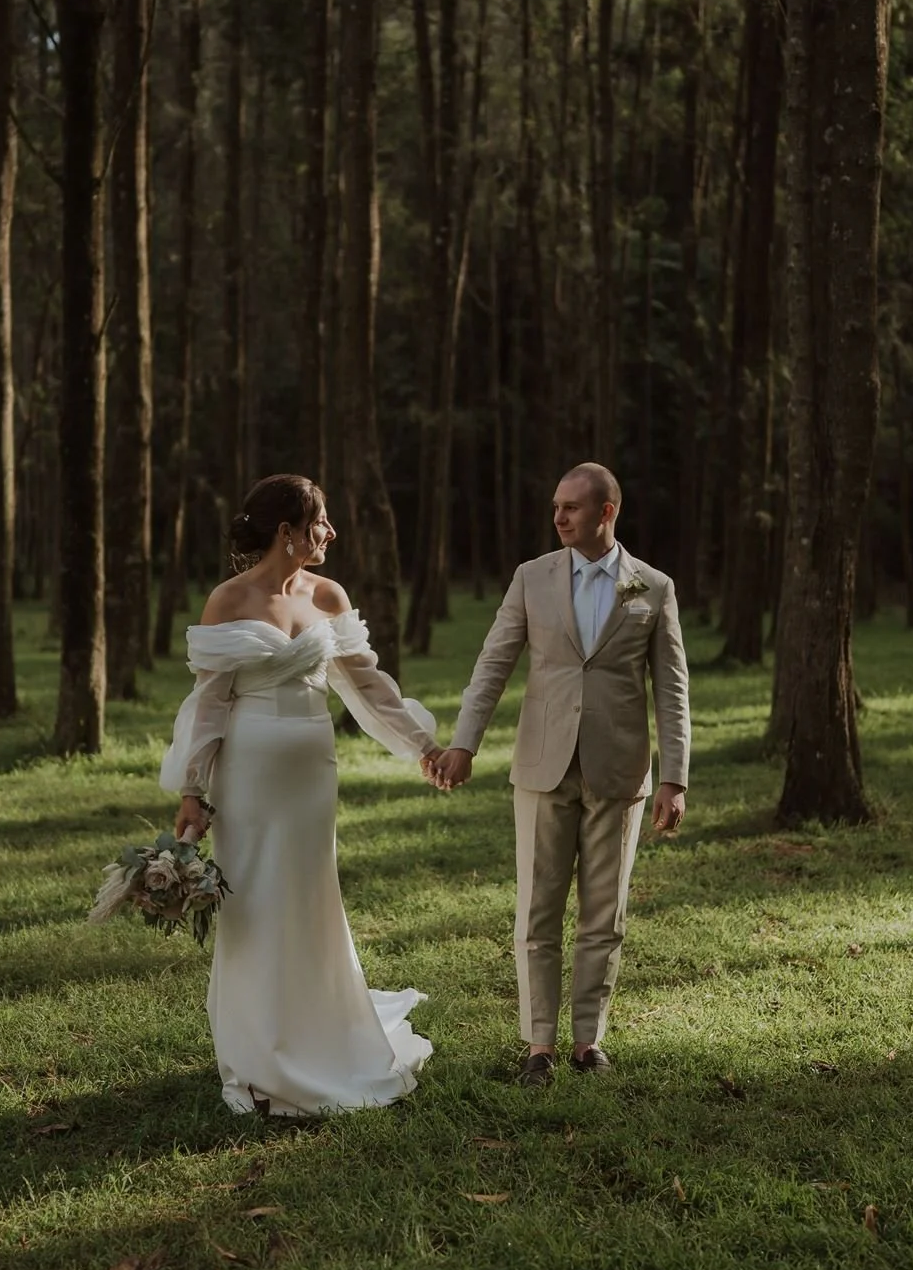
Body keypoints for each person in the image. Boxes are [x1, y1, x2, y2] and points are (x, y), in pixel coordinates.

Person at [160, 474, 445, 1116]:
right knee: (255, 903)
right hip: (250, 777)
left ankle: (324, 1034)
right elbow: (209, 707)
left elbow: (367, 687)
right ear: (286, 532)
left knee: (311, 898)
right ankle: (258, 1057)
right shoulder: (227, 601)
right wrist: (193, 790)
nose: (331, 533)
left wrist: (421, 745)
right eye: (320, 521)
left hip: (312, 773)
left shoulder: (328, 594)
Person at [429, 463, 690, 1086]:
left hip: (620, 772)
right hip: (542, 767)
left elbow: (671, 690)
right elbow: (493, 664)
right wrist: (464, 744)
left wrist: (675, 778)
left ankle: (588, 1041)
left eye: (572, 507)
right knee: (537, 910)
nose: (558, 517)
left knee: (605, 913)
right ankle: (539, 1046)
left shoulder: (652, 587)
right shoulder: (532, 578)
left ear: (607, 512)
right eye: (555, 506)